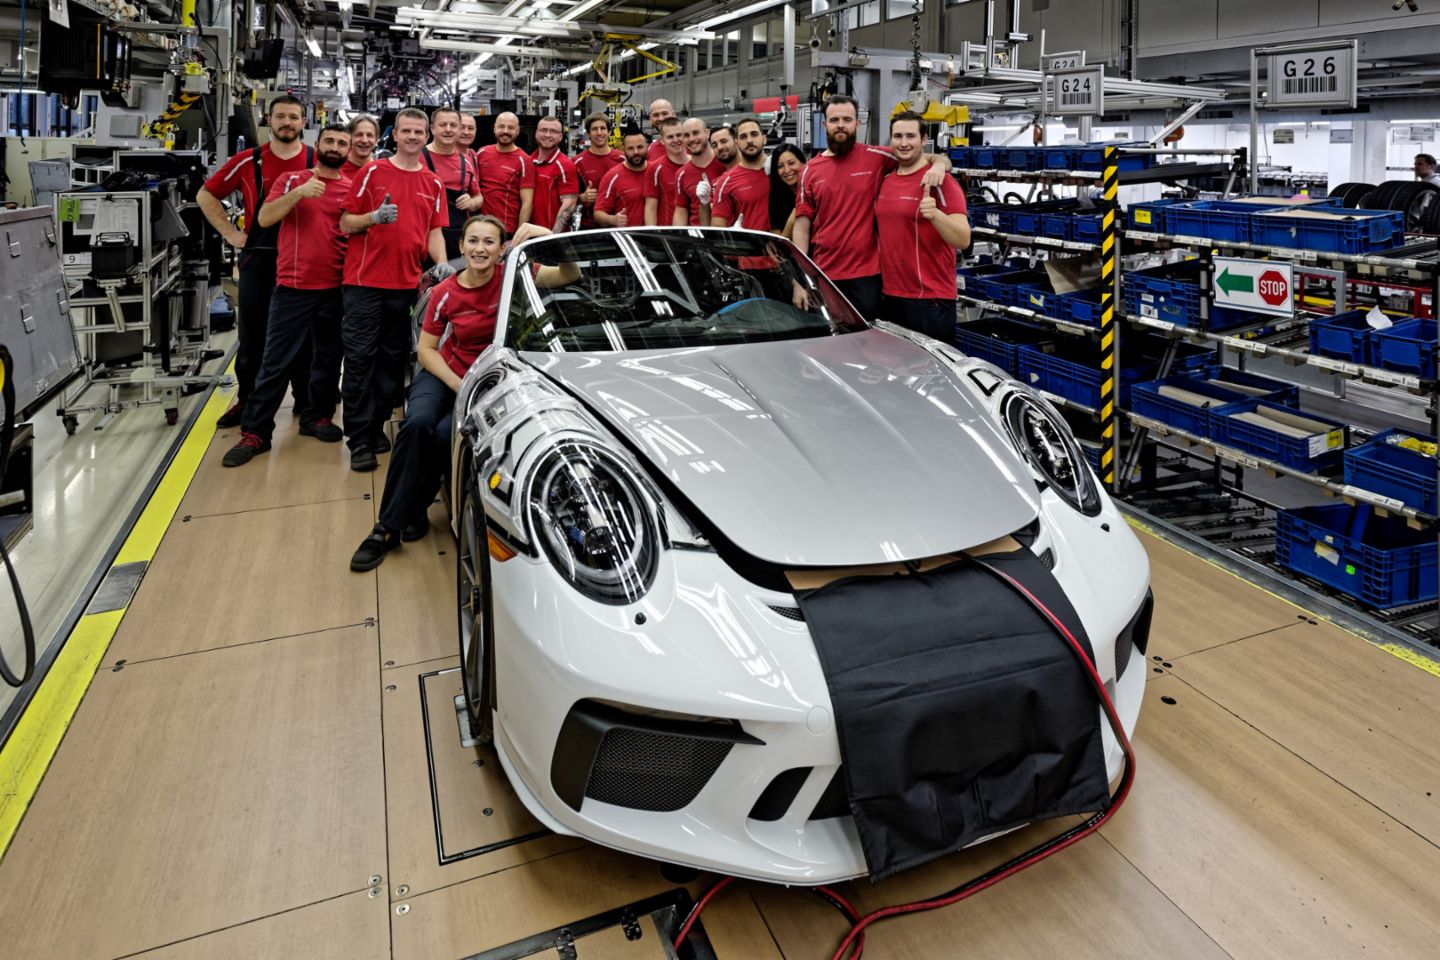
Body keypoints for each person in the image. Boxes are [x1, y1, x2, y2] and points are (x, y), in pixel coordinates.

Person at [348, 216, 579, 571]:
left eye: (489, 242)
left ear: (503, 249)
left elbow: (569, 274)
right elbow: (426, 350)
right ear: (461, 246)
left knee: (446, 434)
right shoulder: (444, 293)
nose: (480, 249)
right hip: (446, 372)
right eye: (473, 241)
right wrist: (458, 384)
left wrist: (548, 236)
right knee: (417, 424)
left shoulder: (514, 278)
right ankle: (386, 528)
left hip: (493, 377)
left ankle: (415, 508)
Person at [223, 124, 353, 467]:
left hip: (334, 289)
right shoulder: (293, 181)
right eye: (330, 141)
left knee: (326, 361)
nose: (336, 147)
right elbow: (264, 219)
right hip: (293, 288)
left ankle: (316, 418)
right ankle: (256, 433)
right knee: (275, 362)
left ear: (348, 150)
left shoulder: (352, 189)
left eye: (342, 143)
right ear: (318, 145)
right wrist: (299, 194)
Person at [339, 107, 449, 473]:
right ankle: (360, 438)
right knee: (359, 359)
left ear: (427, 134)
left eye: (420, 131)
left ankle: (376, 421)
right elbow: (345, 221)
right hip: (364, 283)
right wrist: (373, 218)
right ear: (395, 135)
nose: (414, 137)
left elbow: (434, 229)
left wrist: (442, 263)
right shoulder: (373, 171)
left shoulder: (433, 183)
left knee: (391, 359)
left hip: (406, 286)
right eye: (407, 131)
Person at [196, 95, 315, 429]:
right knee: (252, 337)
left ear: (303, 122)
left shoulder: (317, 161)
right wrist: (231, 235)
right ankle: (247, 400)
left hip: (305, 262)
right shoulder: (249, 160)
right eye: (281, 116)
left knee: (306, 337)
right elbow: (206, 195)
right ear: (268, 120)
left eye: (294, 117)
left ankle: (306, 403)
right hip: (259, 261)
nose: (287, 122)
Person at [793, 95, 951, 320]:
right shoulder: (809, 170)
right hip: (823, 272)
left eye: (847, 119)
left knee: (866, 345)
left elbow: (921, 156)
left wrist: (939, 166)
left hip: (867, 276)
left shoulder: (877, 157)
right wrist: (800, 279)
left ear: (858, 123)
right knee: (827, 344)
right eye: (834, 119)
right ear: (824, 124)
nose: (841, 125)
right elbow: (801, 227)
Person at [874, 112, 970, 342]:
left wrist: (936, 215)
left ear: (924, 140)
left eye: (910, 136)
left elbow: (964, 239)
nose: (904, 143)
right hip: (890, 294)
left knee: (930, 374)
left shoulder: (941, 182)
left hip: (930, 299)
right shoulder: (886, 179)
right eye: (898, 136)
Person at [423, 106, 483, 259]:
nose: (448, 130)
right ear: (432, 128)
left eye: (454, 125)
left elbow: (479, 197)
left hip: (456, 240)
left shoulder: (466, 162)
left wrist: (472, 203)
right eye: (443, 125)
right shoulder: (418, 158)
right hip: (423, 239)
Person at [476, 112, 535, 233]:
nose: (505, 131)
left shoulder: (524, 160)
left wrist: (520, 234)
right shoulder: (481, 153)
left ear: (518, 131)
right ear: (494, 128)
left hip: (506, 230)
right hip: (480, 225)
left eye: (511, 127)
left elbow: (527, 202)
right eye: (501, 126)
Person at [710, 117, 772, 231]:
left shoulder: (781, 171)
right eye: (743, 137)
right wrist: (733, 235)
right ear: (737, 143)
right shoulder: (726, 181)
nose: (749, 140)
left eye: (754, 134)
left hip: (783, 244)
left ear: (764, 139)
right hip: (749, 246)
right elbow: (717, 227)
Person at [574, 113, 624, 230]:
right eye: (594, 129)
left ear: (609, 132)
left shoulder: (623, 159)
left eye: (603, 128)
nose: (599, 133)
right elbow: (566, 197)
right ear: (588, 134)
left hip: (619, 225)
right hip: (589, 226)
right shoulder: (577, 162)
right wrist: (582, 197)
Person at [531, 115, 580, 232]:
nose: (547, 135)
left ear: (560, 137)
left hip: (550, 237)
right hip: (529, 234)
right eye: (543, 130)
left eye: (553, 131)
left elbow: (569, 205)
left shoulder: (565, 165)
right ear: (536, 134)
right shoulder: (528, 161)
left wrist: (553, 237)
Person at [594, 130, 650, 228]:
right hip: (627, 239)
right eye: (630, 148)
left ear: (647, 146)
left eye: (640, 147)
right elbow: (598, 214)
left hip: (656, 238)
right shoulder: (613, 176)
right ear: (623, 149)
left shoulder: (656, 171)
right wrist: (612, 220)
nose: (636, 152)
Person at [673, 117, 722, 226]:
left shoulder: (724, 163)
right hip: (697, 236)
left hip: (726, 234)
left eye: (695, 133)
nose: (691, 139)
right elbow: (681, 211)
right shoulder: (682, 174)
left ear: (707, 133)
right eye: (686, 135)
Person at [644, 117, 686, 226]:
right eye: (670, 137)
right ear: (662, 141)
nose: (676, 140)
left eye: (679, 135)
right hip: (668, 234)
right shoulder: (655, 169)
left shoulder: (696, 164)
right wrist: (654, 236)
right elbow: (650, 208)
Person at [768, 142, 808, 239]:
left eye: (791, 163)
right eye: (780, 166)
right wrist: (773, 242)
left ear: (803, 163)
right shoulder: (777, 195)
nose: (787, 170)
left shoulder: (813, 191)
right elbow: (776, 232)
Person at [646, 98, 676, 163]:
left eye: (665, 113)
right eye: (656, 115)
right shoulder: (651, 148)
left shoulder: (688, 144)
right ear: (650, 118)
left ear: (673, 115)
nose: (661, 118)